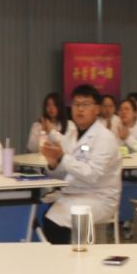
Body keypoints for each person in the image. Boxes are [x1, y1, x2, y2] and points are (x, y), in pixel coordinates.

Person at [38, 84, 122, 243]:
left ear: (97, 109)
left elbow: (91, 175)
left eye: (86, 104)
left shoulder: (105, 138)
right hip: (73, 193)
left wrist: (62, 157)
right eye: (76, 104)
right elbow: (62, 174)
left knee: (54, 222)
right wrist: (53, 164)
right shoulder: (72, 135)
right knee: (40, 212)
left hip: (99, 198)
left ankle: (69, 256)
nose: (80, 109)